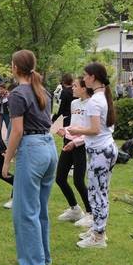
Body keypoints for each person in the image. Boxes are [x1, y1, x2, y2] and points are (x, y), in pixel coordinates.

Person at [2, 50, 57, 265]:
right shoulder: (42, 91)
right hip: (49, 148)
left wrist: (7, 160)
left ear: (15, 67)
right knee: (39, 208)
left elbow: (17, 131)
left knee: (25, 211)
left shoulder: (17, 94)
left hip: (32, 149)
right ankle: (42, 257)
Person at [66, 62, 118, 249]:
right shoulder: (101, 96)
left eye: (85, 75)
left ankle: (98, 236)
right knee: (99, 193)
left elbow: (95, 129)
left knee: (97, 194)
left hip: (101, 152)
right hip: (104, 150)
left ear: (93, 77)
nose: (83, 78)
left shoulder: (95, 101)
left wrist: (76, 130)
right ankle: (97, 229)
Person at [53, 79, 92, 225]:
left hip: (81, 146)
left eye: (75, 86)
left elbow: (91, 130)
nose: (72, 89)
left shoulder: (92, 104)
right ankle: (75, 209)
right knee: (60, 178)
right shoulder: (74, 103)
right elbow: (74, 125)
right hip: (68, 143)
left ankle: (91, 213)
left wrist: (75, 143)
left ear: (84, 88)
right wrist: (65, 130)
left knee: (78, 181)